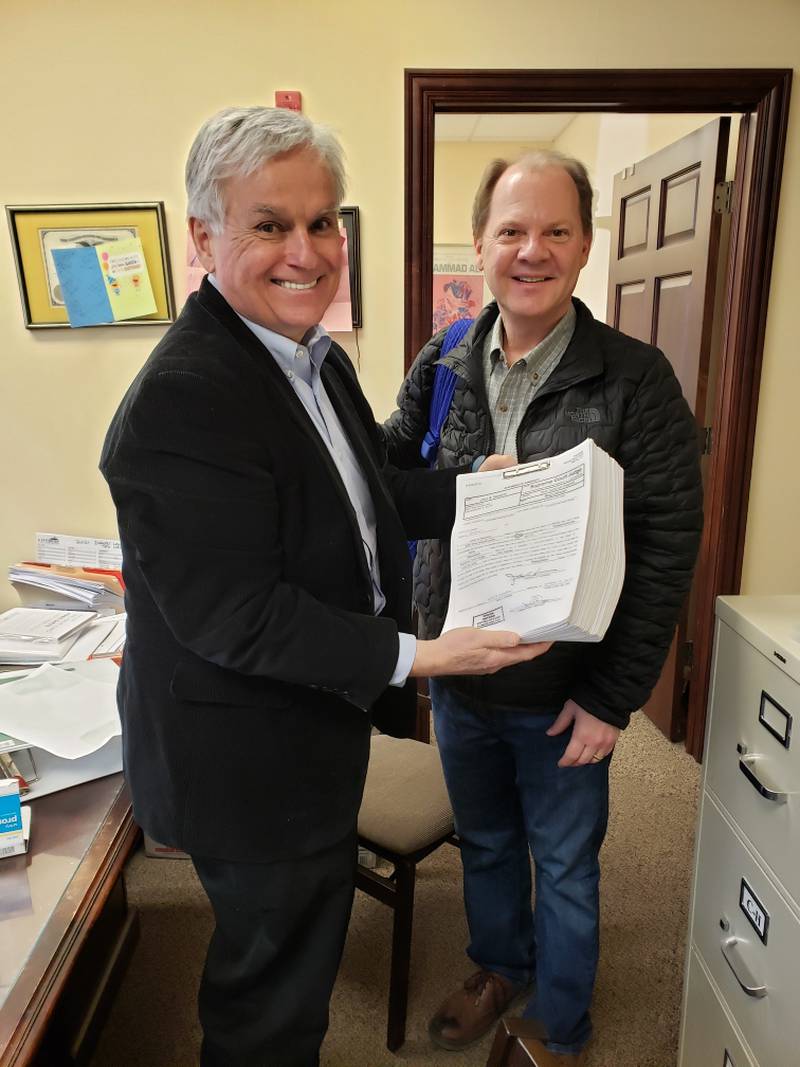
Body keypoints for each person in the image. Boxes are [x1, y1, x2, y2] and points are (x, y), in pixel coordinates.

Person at [99, 107, 550, 1067]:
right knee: (270, 1000)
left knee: (297, 957)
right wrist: (421, 655)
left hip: (314, 725)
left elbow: (365, 494)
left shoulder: (312, 357)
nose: (307, 251)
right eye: (270, 224)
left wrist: (476, 491)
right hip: (245, 760)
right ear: (203, 237)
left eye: (324, 222)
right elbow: (238, 613)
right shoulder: (187, 398)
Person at [381, 149, 704, 1061]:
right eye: (512, 230)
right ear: (480, 244)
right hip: (459, 672)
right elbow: (390, 474)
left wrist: (613, 698)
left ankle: (558, 1026)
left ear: (586, 244)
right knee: (484, 841)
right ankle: (499, 966)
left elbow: (668, 540)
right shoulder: (444, 357)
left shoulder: (636, 380)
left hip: (567, 686)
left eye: (556, 230)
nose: (533, 250)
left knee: (562, 864)